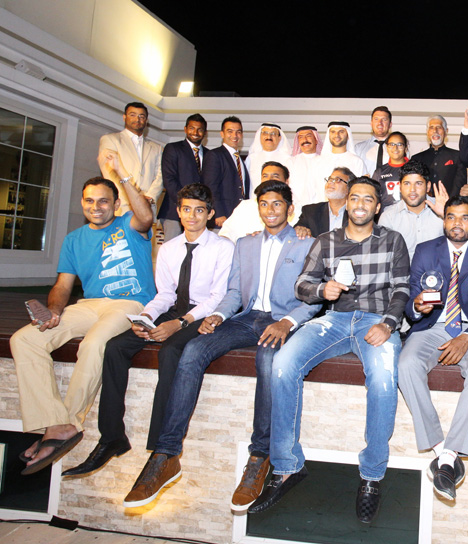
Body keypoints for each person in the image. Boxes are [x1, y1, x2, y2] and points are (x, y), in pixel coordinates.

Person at [122, 180, 319, 512]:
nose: (270, 210)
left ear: (290, 208)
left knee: (267, 359)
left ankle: (260, 456)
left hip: (281, 320)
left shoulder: (308, 244)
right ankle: (166, 454)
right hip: (245, 318)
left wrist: (288, 322)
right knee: (193, 350)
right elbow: (233, 293)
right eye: (264, 204)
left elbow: (314, 296)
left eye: (277, 204)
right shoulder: (245, 243)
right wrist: (217, 315)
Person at [252, 177, 410, 525]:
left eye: (367, 199)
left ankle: (371, 476)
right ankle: (286, 466)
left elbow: (402, 288)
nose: (359, 204)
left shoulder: (393, 240)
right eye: (354, 197)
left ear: (377, 206)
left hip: (376, 321)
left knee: (384, 379)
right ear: (347, 202)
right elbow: (302, 284)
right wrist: (322, 290)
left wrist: (388, 324)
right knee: (282, 364)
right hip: (334, 320)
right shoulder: (326, 241)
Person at [63, 183, 233, 477]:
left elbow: (217, 297)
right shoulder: (169, 248)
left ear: (210, 214)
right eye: (186, 209)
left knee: (170, 351)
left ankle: (160, 449)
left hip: (202, 314)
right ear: (178, 212)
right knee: (115, 347)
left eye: (199, 210)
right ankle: (111, 437)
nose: (192, 216)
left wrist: (180, 323)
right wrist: (145, 317)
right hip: (173, 309)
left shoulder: (223, 248)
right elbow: (164, 294)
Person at [12, 157, 155, 475]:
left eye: (104, 201)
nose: (96, 206)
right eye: (89, 201)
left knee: (93, 343)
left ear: (116, 204)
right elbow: (63, 286)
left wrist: (121, 173)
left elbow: (146, 215)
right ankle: (54, 422)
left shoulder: (129, 225)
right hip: (88, 304)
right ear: (82, 203)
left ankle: (68, 424)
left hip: (130, 303)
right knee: (24, 340)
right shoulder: (73, 240)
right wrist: (54, 310)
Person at [398, 196, 468, 501]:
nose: (457, 223)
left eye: (465, 218)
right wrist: (417, 307)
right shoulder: (425, 250)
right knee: (406, 364)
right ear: (444, 220)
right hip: (433, 326)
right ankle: (441, 449)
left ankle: (451, 452)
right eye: (452, 217)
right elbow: (412, 300)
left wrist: (466, 337)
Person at [98, 102, 164, 216]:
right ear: (124, 117)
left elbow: (161, 175)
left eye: (141, 116)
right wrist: (129, 197)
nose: (137, 119)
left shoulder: (157, 148)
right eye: (132, 115)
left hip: (147, 206)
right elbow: (109, 173)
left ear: (146, 120)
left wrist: (150, 197)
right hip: (122, 205)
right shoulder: (110, 139)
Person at [378, 159, 446, 259]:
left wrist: (447, 216)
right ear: (400, 187)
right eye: (407, 184)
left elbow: (460, 243)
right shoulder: (389, 217)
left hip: (438, 268)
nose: (412, 190)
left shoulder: (444, 209)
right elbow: (383, 256)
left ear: (428, 186)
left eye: (418, 183)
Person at [218, 162, 298, 243]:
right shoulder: (245, 206)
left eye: (275, 176)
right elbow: (226, 234)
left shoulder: (297, 209)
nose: (269, 179)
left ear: (286, 182)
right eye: (265, 176)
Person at [157, 114, 208, 241]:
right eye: (192, 128)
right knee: (173, 249)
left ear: (205, 132)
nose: (195, 132)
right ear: (185, 129)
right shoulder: (173, 148)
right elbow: (169, 180)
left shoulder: (210, 154)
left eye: (200, 129)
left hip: (199, 214)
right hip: (174, 211)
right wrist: (186, 204)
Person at [203, 116, 250, 228]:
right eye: (230, 131)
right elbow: (210, 187)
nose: (234, 135)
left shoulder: (240, 159)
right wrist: (219, 213)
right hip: (222, 218)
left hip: (239, 218)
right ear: (222, 134)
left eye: (238, 132)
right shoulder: (215, 155)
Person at [410, 115, 466, 198]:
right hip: (423, 204)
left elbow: (460, 185)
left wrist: (449, 203)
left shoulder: (457, 156)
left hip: (450, 203)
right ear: (427, 132)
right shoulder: (416, 159)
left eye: (439, 127)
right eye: (431, 127)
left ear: (446, 131)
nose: (435, 131)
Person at [295, 167, 353, 238]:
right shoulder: (310, 212)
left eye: (337, 180)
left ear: (349, 189)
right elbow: (297, 230)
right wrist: (300, 230)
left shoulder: (355, 214)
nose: (330, 182)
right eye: (330, 179)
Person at [314, 121, 367, 188]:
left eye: (341, 132)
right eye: (333, 132)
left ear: (348, 135)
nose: (337, 135)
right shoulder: (318, 161)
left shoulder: (357, 162)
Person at [246, 123, 291, 192]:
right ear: (260, 136)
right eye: (265, 133)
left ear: (279, 138)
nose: (269, 136)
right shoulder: (251, 159)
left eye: (273, 134)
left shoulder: (288, 159)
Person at [371, 131, 409, 208]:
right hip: (385, 213)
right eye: (391, 144)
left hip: (409, 213)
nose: (395, 148)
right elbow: (373, 195)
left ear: (405, 148)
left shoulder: (414, 170)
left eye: (399, 144)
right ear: (387, 147)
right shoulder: (380, 172)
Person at [288, 126, 322, 207]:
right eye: (301, 137)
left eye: (308, 136)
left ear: (316, 140)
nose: (305, 140)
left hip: (320, 208)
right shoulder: (291, 162)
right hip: (296, 208)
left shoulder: (324, 161)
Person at [355, 106, 393, 175]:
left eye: (384, 119)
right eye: (376, 119)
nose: (380, 123)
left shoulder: (399, 149)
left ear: (390, 124)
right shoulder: (358, 149)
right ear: (371, 123)